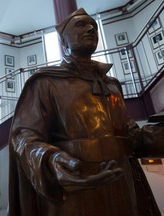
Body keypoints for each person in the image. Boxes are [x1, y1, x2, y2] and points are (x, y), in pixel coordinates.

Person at [8, 8, 164, 216]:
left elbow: (132, 137)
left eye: (94, 26)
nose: (91, 28)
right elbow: (23, 136)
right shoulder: (46, 83)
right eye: (81, 25)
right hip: (75, 193)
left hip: (124, 190)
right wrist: (50, 159)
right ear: (64, 42)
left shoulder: (112, 86)